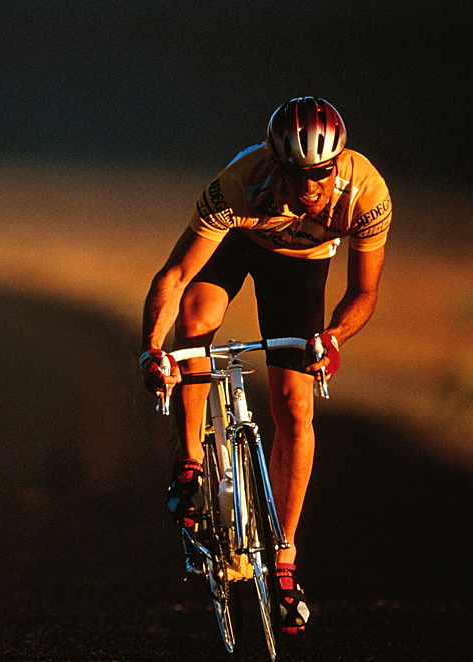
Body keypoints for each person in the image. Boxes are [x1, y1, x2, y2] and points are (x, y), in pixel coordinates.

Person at [138, 97, 391, 634]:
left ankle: (283, 558)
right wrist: (152, 349)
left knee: (295, 407)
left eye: (321, 174)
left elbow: (364, 291)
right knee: (196, 315)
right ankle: (189, 464)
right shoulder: (238, 183)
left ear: (338, 164)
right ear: (274, 165)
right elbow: (175, 275)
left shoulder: (367, 194)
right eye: (297, 175)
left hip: (301, 269)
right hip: (238, 242)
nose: (310, 188)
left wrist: (333, 338)